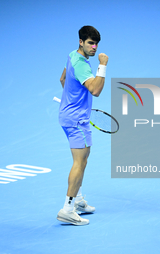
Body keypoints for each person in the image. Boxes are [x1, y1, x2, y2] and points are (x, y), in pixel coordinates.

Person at [56, 25, 108, 225]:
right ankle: (67, 209)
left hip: (67, 115)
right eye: (90, 43)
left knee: (82, 160)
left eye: (96, 44)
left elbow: (63, 79)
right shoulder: (84, 66)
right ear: (81, 42)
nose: (94, 48)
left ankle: (76, 201)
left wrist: (71, 100)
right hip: (77, 121)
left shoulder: (72, 56)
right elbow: (95, 90)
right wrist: (102, 65)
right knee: (80, 162)